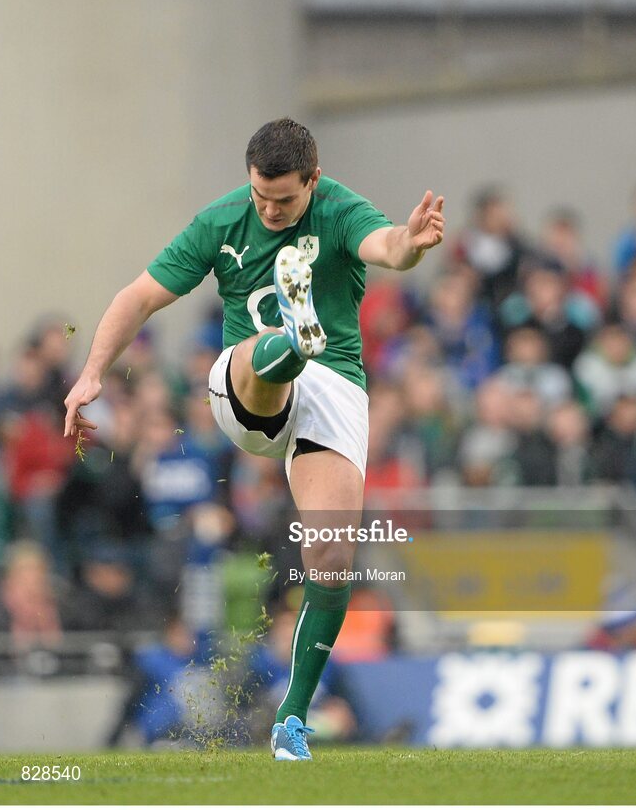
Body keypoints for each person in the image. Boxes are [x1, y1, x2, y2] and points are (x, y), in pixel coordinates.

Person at [63, 117, 444, 761]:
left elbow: (387, 247)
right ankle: (289, 343)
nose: (269, 209)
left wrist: (411, 242)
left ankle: (292, 720)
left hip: (335, 394)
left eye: (285, 200)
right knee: (256, 355)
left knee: (330, 559)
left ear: (313, 182)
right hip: (242, 385)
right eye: (260, 195)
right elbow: (140, 296)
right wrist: (91, 374)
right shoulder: (221, 221)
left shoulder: (340, 208)